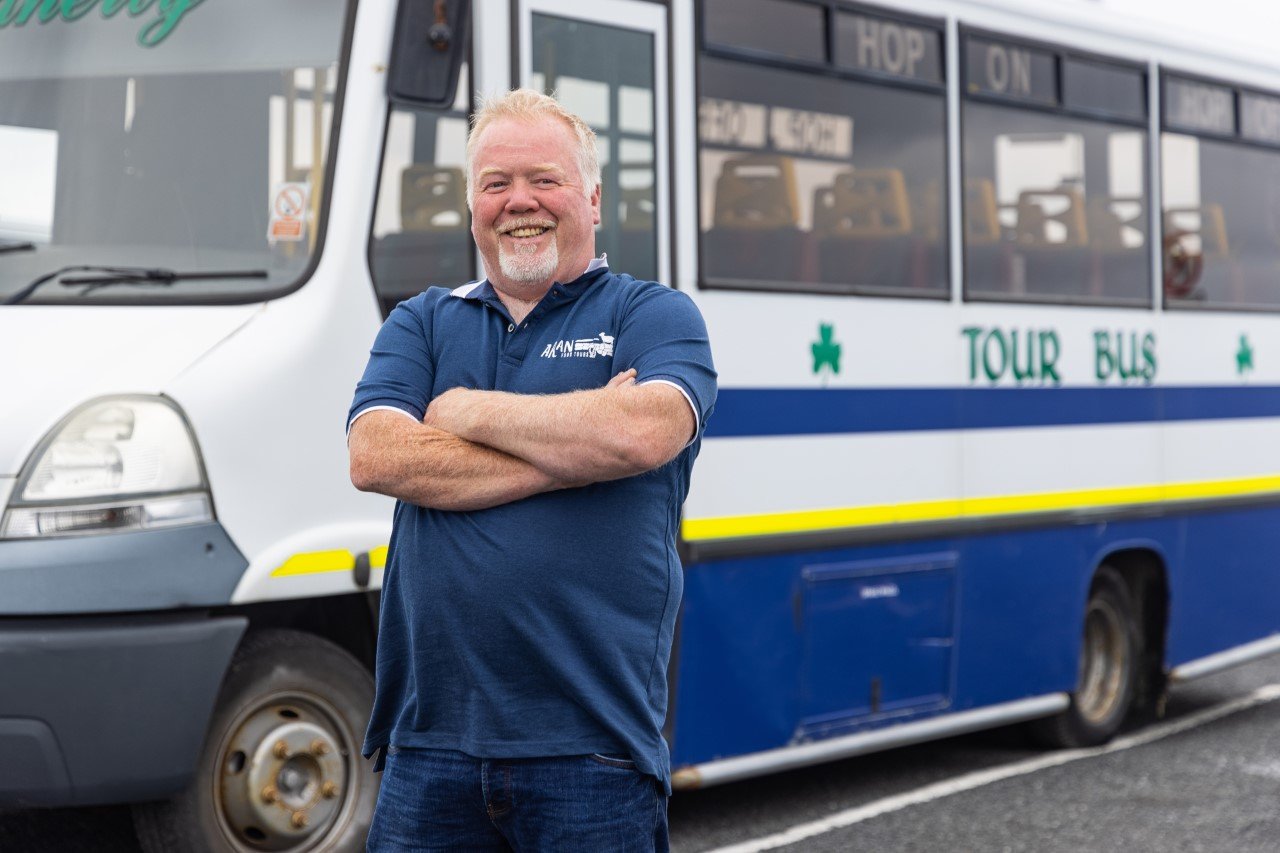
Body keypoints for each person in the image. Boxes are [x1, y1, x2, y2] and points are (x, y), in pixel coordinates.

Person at [346, 89, 717, 851]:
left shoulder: (653, 314)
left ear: (592, 196)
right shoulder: (420, 320)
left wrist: (462, 410)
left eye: (544, 179)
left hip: (593, 751)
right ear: (472, 203)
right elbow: (376, 454)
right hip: (428, 747)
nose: (521, 202)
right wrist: (571, 455)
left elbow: (643, 433)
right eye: (496, 183)